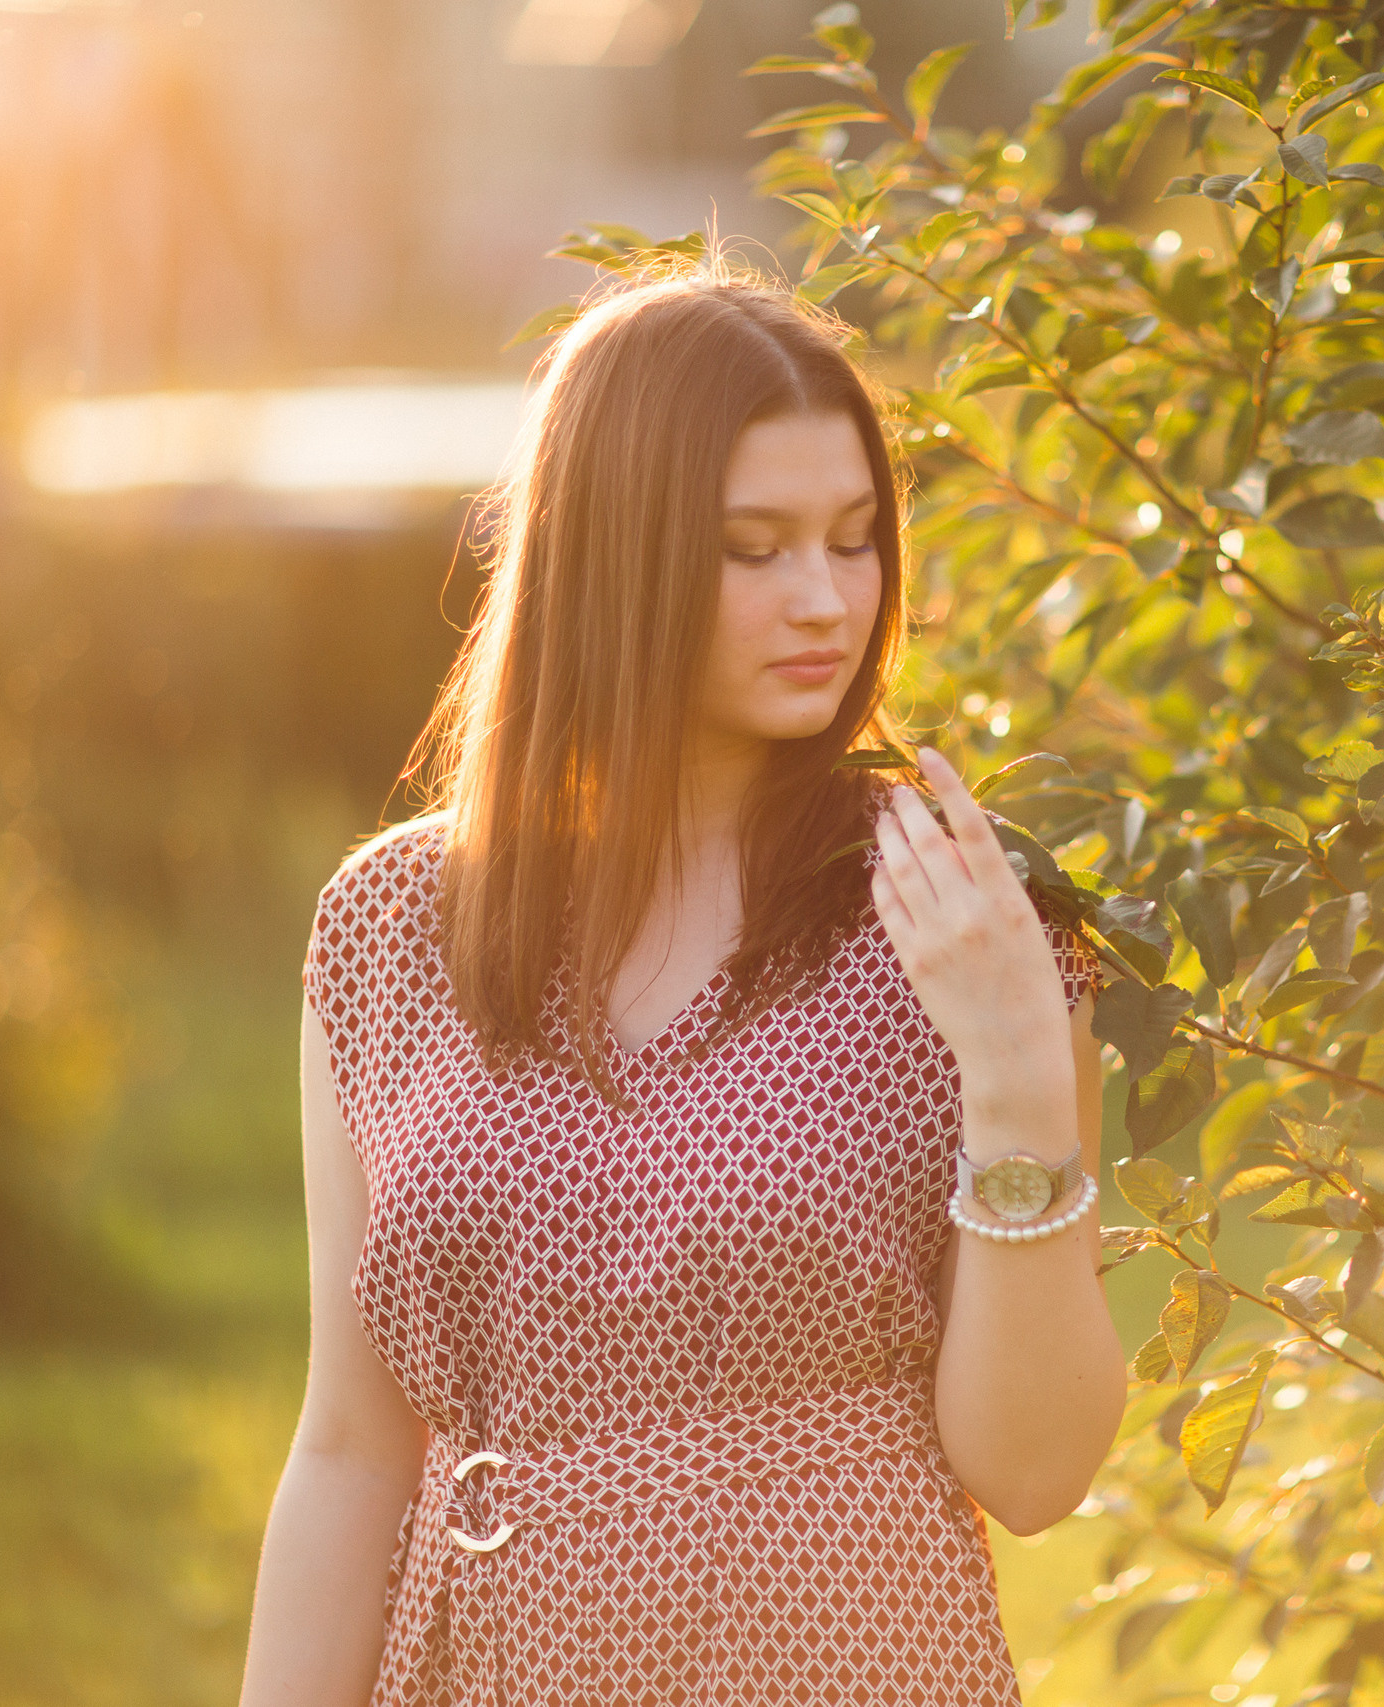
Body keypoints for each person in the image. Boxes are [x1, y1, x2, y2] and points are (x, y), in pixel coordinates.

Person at [237, 262, 1128, 1707]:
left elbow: (1032, 1474)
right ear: (613, 555)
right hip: (492, 1669)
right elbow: (349, 1445)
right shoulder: (390, 928)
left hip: (850, 1666)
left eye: (854, 541)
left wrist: (1020, 1068)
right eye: (754, 547)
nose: (827, 599)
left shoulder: (965, 915)